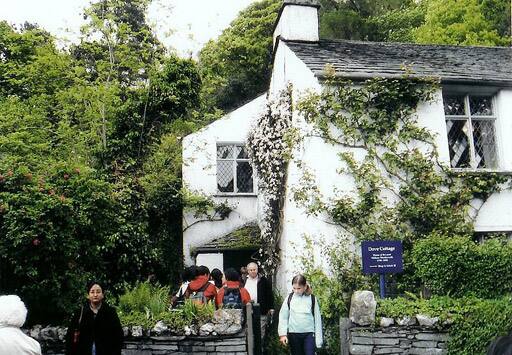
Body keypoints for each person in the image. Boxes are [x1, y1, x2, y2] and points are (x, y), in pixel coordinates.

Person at [65, 281, 123, 355]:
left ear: (103, 295)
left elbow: (118, 337)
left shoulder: (110, 313)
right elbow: (70, 338)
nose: (95, 295)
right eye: (92, 292)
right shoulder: (80, 313)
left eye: (98, 292)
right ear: (88, 295)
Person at [278, 274, 323, 355]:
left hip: (309, 334)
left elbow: (317, 319)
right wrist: (282, 334)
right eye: (294, 288)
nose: (296, 291)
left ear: (305, 286)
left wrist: (319, 341)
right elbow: (283, 316)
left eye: (299, 288)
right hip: (294, 334)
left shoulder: (312, 298)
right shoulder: (289, 298)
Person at [244, 262, 274, 338]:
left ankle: (260, 349)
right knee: (248, 332)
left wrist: (271, 308)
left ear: (257, 270)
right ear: (248, 271)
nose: (253, 271)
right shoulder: (244, 280)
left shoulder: (263, 280)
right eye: (251, 270)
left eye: (254, 269)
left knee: (261, 332)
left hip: (261, 310)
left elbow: (269, 294)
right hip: (247, 310)